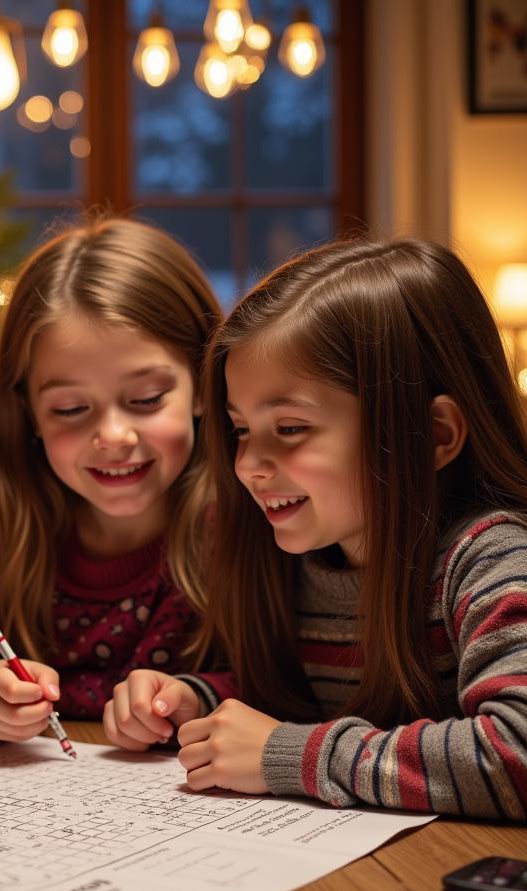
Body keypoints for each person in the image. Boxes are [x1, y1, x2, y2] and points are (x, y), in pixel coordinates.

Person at [111, 237, 527, 819]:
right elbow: (296, 704)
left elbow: (515, 751)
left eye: (289, 428)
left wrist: (291, 755)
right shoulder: (302, 558)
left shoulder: (493, 560)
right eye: (239, 430)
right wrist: (195, 703)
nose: (248, 465)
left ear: (433, 435)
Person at [0, 217, 235, 742]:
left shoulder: (235, 524)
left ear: (204, 384)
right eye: (70, 409)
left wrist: (192, 698)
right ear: (30, 415)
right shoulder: (12, 521)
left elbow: (287, 686)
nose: (113, 436)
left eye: (145, 400)